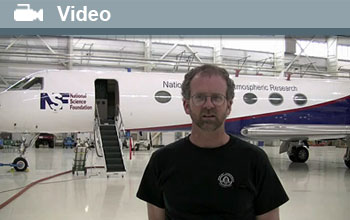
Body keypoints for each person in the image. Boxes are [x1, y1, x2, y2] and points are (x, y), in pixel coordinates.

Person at [137, 64, 289, 220]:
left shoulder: (255, 160)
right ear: (186, 105)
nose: (208, 105)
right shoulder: (161, 161)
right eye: (200, 97)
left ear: (228, 106)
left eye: (216, 98)